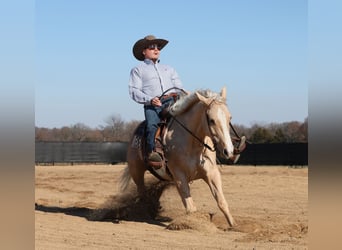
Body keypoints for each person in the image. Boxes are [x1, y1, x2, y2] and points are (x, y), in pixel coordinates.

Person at [128, 35, 184, 163]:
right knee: (152, 125)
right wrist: (150, 99)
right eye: (152, 47)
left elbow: (179, 86)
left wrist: (181, 94)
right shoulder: (137, 70)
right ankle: (152, 152)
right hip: (153, 105)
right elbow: (133, 91)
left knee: (190, 120)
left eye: (158, 47)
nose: (156, 50)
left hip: (172, 102)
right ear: (144, 51)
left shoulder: (169, 69)